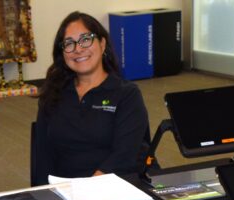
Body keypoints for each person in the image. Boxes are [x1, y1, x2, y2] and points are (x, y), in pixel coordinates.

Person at [32, 12, 150, 186]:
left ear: (102, 44)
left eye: (85, 39)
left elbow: (125, 155)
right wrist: (41, 196)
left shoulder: (127, 94)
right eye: (69, 43)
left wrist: (87, 190)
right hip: (63, 192)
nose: (78, 49)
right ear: (62, 53)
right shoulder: (53, 94)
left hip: (111, 188)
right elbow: (42, 156)